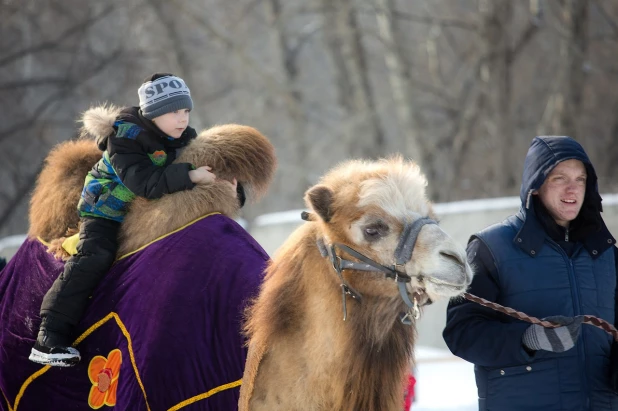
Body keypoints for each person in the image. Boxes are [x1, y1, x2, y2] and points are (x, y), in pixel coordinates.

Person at [29, 73, 231, 367]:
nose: (182, 119)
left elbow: (198, 162)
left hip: (144, 212)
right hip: (105, 209)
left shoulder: (181, 135)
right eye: (173, 111)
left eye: (186, 110)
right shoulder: (125, 139)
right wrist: (189, 176)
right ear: (152, 113)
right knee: (95, 255)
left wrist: (227, 182)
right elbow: (144, 183)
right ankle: (49, 335)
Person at [443, 136, 618, 410]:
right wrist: (529, 338)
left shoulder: (605, 253)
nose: (573, 188)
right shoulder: (492, 248)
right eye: (559, 178)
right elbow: (461, 334)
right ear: (536, 186)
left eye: (580, 179)